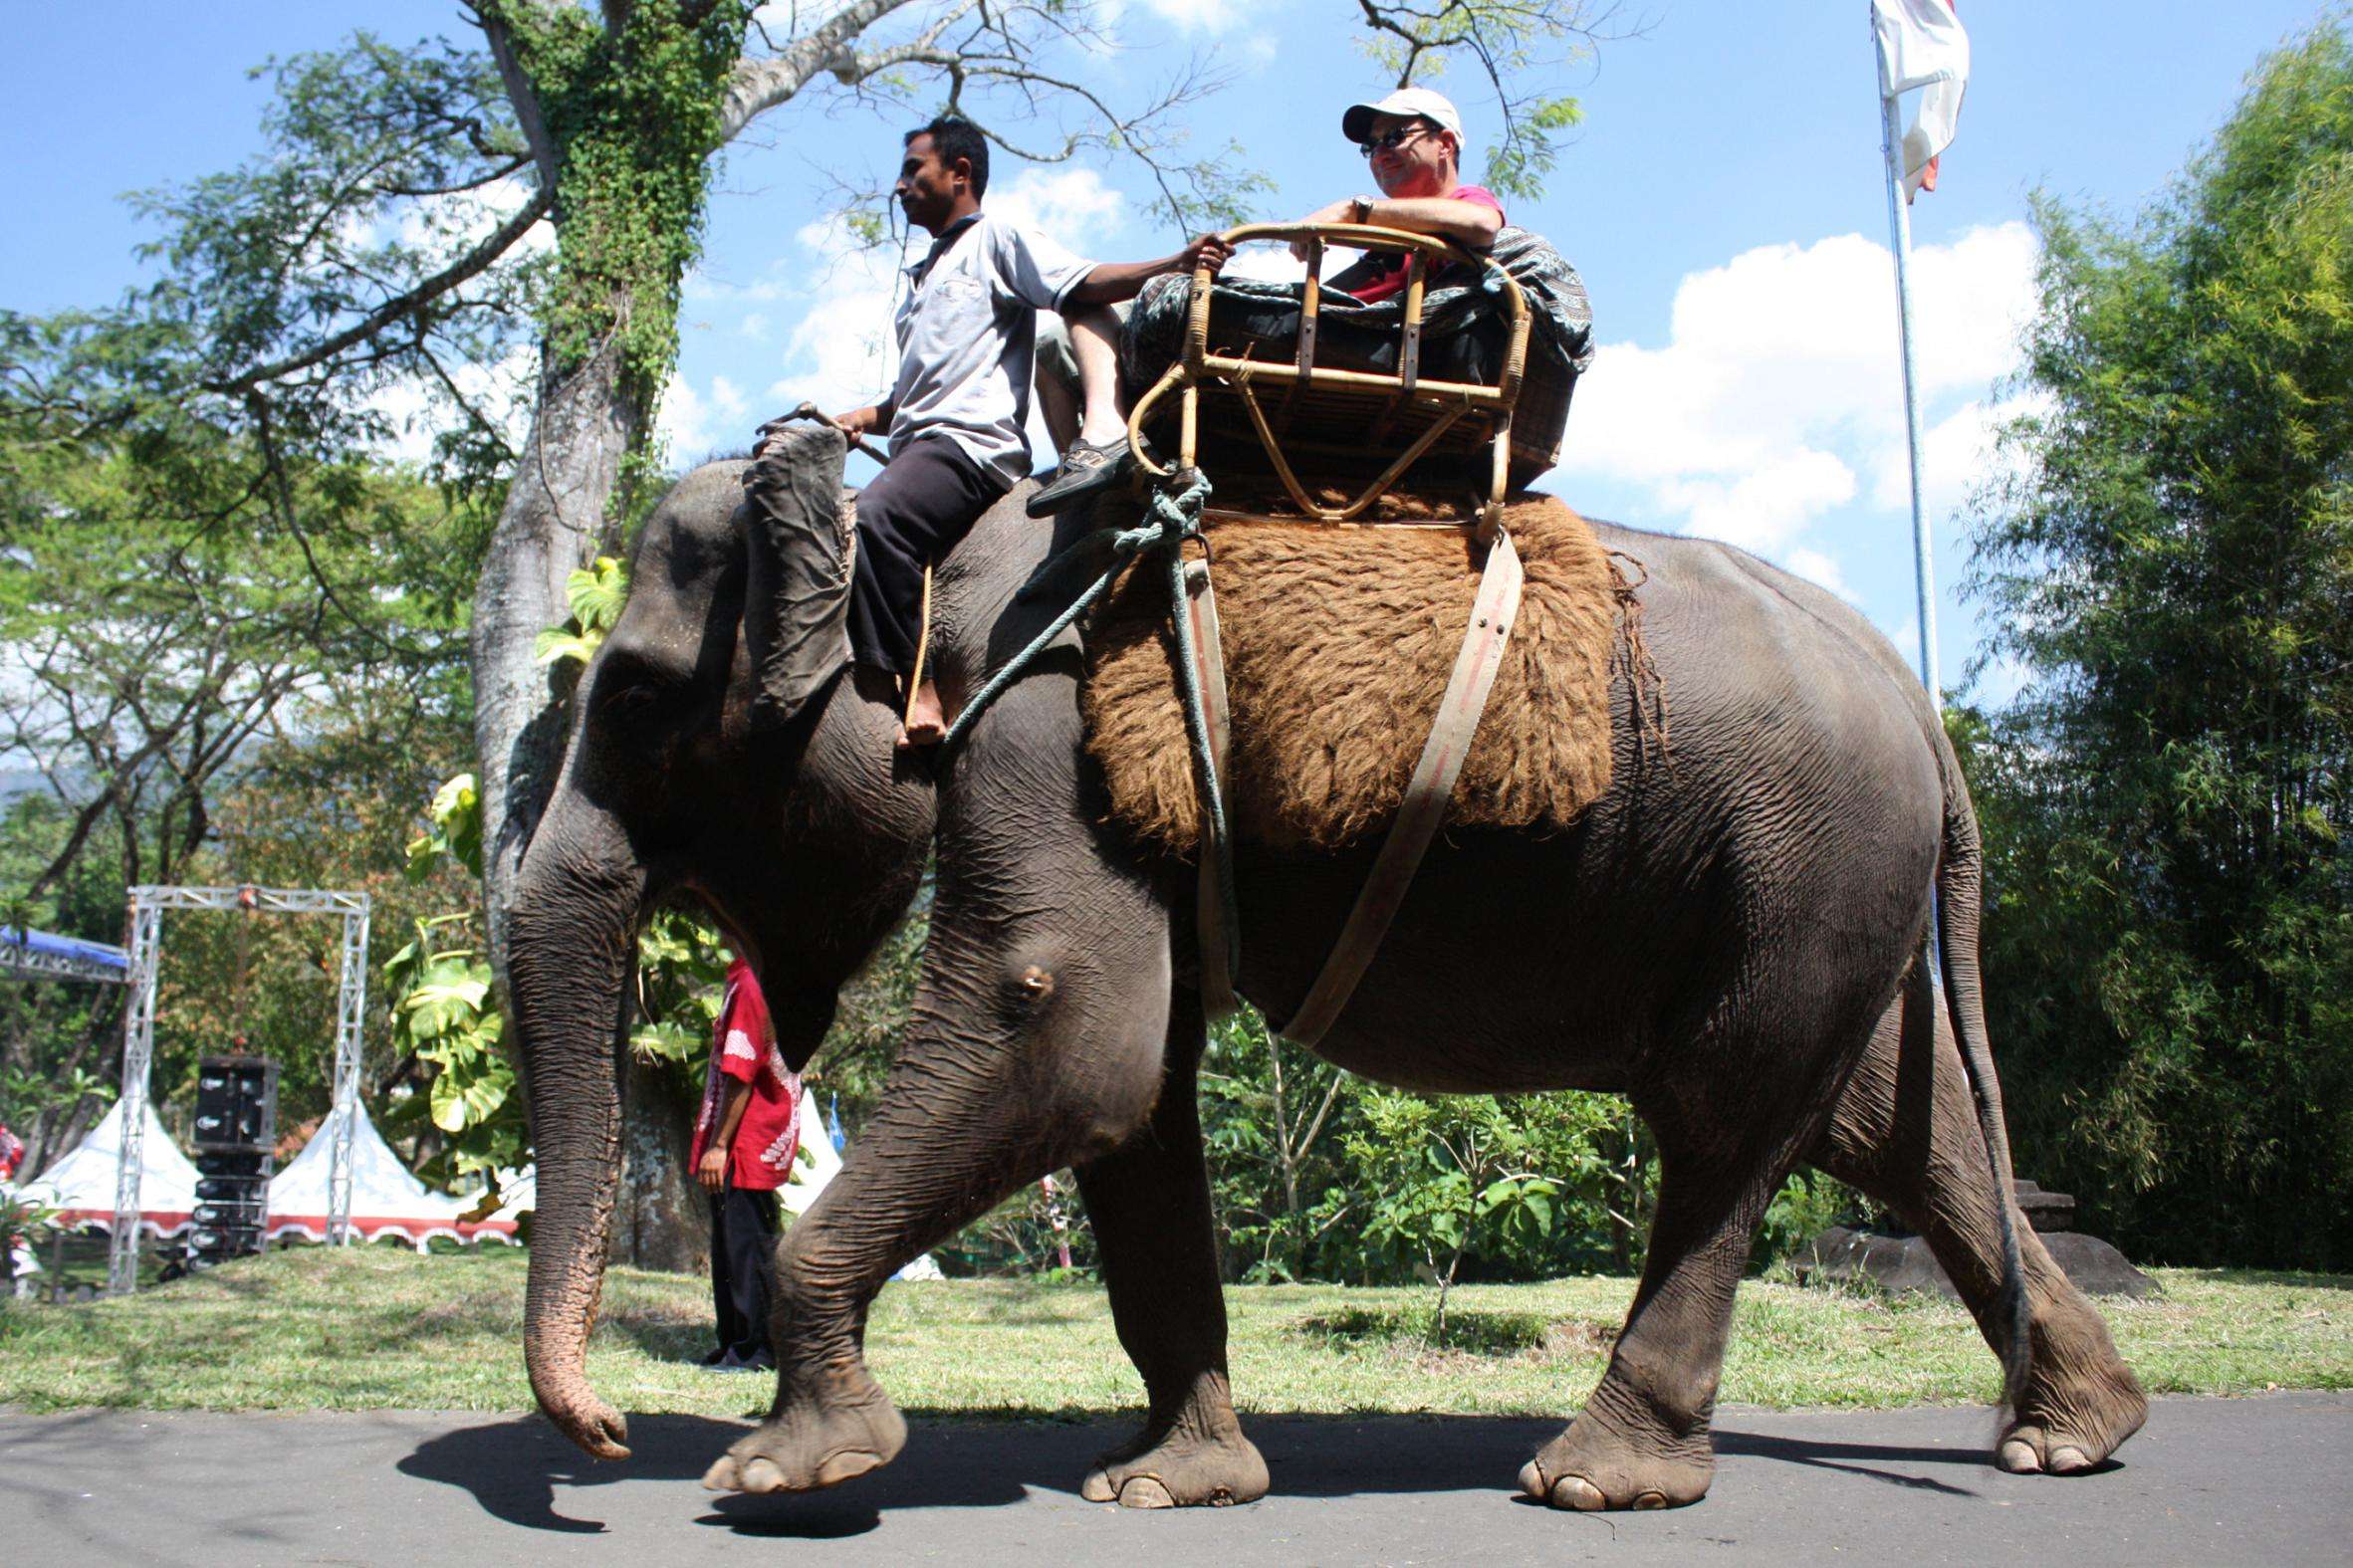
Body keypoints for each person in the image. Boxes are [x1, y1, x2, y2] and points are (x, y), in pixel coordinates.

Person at [758, 115, 1231, 745]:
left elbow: (1081, 283)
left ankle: (910, 685)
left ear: (960, 174)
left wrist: (1175, 260)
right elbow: (905, 400)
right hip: (917, 449)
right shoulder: (920, 284)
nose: (898, 188)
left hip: (968, 449)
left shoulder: (998, 240)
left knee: (877, 520)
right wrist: (857, 419)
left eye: (912, 170)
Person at [1288, 87, 1505, 302]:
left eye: (1395, 137)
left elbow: (1482, 223)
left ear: (1445, 144)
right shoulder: (1385, 245)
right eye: (1370, 147)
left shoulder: (1466, 201)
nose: (1379, 155)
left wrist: (1353, 211)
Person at [691, 955, 802, 1372]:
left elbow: (741, 1069)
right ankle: (734, 1341)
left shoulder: (752, 982)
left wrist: (719, 1145)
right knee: (730, 1245)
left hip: (746, 1140)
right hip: (746, 1137)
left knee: (748, 1247)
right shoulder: (746, 976)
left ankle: (758, 1348)